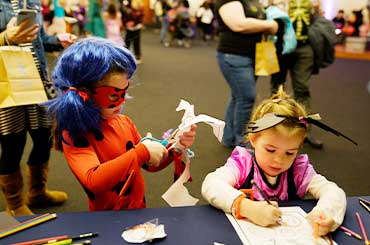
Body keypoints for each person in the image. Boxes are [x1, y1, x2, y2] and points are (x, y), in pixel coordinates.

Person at [47, 37, 196, 211]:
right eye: (113, 95)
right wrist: (142, 152)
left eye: (124, 92)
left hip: (137, 209)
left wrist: (175, 146)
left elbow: (148, 163)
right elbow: (93, 180)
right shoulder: (74, 134)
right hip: (107, 219)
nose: (121, 102)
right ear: (84, 94)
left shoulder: (124, 123)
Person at [202, 87, 347, 235]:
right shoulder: (243, 164)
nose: (279, 160)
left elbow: (334, 192)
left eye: (290, 153)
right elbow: (211, 184)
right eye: (270, 150)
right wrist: (245, 206)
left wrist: (325, 213)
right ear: (253, 139)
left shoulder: (298, 171)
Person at [0, 0, 75, 216]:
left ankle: (37, 192)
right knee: (13, 143)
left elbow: (39, 40)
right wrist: (6, 37)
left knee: (45, 138)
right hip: (6, 82)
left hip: (37, 80)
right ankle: (14, 205)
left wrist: (57, 40)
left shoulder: (31, 2)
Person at [215, 0, 279, 148]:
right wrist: (270, 24)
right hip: (234, 55)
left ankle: (229, 137)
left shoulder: (253, 1)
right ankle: (242, 142)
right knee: (246, 97)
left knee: (238, 96)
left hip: (253, 55)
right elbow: (239, 24)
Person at [270, 0, 324, 149]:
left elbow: (318, 20)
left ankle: (304, 132)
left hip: (304, 48)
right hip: (281, 47)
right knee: (277, 88)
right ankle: (273, 127)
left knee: (302, 89)